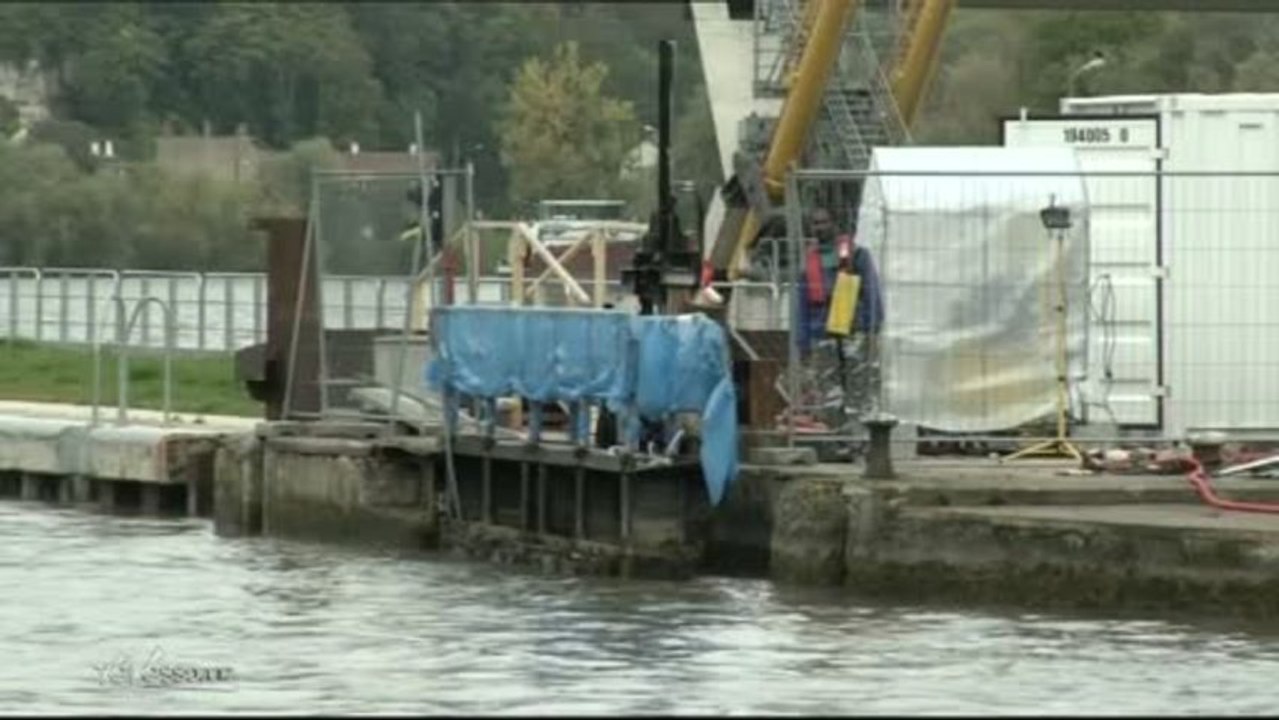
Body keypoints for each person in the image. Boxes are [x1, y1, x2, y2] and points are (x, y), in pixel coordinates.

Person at [796, 207, 884, 441]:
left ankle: (862, 439)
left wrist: (873, 323)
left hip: (853, 327)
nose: (820, 228)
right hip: (821, 329)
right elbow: (801, 301)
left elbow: (871, 290)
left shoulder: (857, 255)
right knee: (828, 388)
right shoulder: (808, 262)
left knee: (859, 384)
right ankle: (837, 439)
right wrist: (802, 338)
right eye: (815, 223)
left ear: (834, 224)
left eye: (824, 222)